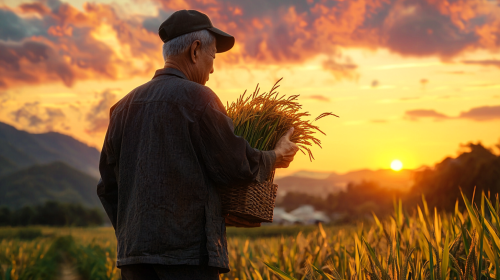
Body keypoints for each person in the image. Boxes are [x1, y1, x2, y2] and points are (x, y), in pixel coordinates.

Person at [97, 9, 299, 280]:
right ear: (195, 51)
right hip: (188, 259)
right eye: (212, 56)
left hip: (134, 260)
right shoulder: (200, 99)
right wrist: (276, 155)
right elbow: (235, 164)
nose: (213, 67)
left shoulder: (121, 109)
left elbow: (108, 188)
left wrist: (131, 233)